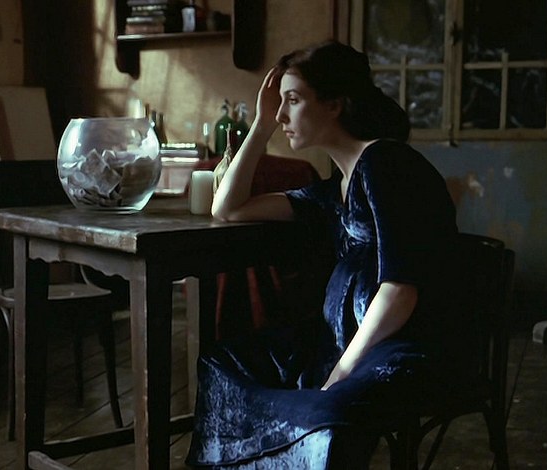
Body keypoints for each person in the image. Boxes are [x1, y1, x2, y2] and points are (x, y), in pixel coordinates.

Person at [186, 41, 460, 468]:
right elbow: (228, 208)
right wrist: (260, 126)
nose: (282, 115)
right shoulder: (334, 191)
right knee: (221, 364)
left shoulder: (386, 162)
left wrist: (340, 374)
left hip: (400, 349)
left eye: (293, 101)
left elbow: (399, 291)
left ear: (334, 104)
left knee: (323, 410)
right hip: (337, 344)